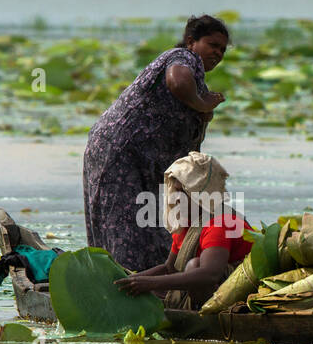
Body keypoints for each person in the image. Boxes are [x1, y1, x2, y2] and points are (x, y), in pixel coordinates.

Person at [84, 14, 230, 271]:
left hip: (138, 161)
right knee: (126, 227)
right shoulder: (183, 58)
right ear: (191, 41)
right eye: (212, 44)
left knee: (146, 222)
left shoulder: (198, 81)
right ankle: (124, 286)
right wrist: (203, 103)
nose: (217, 53)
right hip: (119, 152)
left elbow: (190, 151)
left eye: (222, 49)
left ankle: (145, 283)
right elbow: (177, 81)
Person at [116, 152, 252, 309]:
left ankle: (200, 311)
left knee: (194, 265)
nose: (176, 198)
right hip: (212, 285)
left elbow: (210, 274)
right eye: (175, 191)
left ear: (202, 194)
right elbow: (169, 268)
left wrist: (149, 284)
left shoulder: (219, 223)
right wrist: (131, 280)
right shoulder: (187, 223)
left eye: (183, 192)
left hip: (242, 287)